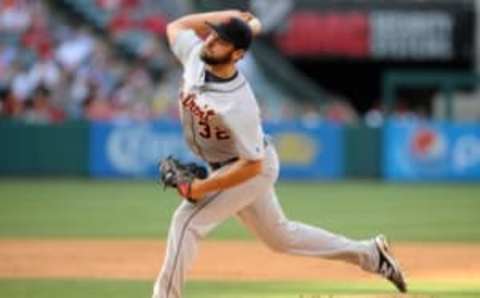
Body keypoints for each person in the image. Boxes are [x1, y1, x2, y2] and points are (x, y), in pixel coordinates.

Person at [152, 10, 407, 298]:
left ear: (237, 55)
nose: (210, 41)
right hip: (225, 164)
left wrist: (201, 187)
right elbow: (176, 26)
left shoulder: (239, 104)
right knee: (280, 238)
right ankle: (371, 254)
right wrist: (229, 15)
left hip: (248, 169)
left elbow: (252, 166)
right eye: (212, 33)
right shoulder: (196, 55)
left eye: (220, 40)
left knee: (186, 221)